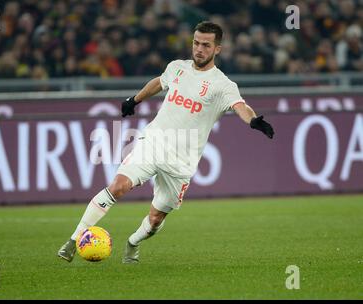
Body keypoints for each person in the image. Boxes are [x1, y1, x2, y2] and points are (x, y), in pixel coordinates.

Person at [58, 21, 274, 263]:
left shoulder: (222, 85)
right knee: (118, 186)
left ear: (217, 49)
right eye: (196, 43)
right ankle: (74, 241)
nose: (199, 49)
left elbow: (240, 106)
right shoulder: (177, 68)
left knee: (155, 220)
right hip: (154, 143)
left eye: (206, 45)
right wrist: (134, 99)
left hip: (181, 163)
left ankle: (133, 242)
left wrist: (253, 121)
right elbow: (159, 83)